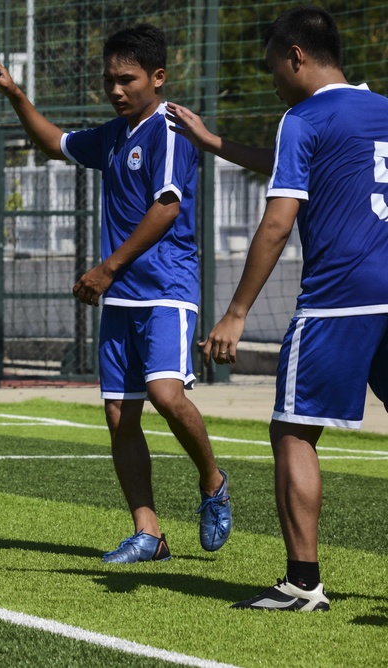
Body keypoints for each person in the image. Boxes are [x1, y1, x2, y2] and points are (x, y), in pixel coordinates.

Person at [0, 24, 231, 564]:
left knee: (165, 396)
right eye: (109, 80)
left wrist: (107, 268)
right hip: (120, 297)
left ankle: (212, 480)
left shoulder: (167, 130)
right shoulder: (116, 133)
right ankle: (149, 532)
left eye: (127, 80)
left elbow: (167, 206)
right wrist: (16, 94)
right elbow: (54, 143)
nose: (115, 90)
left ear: (157, 78)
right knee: (120, 415)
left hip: (165, 288)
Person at [169, 5, 388, 611]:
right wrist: (215, 143)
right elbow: (314, 165)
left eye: (272, 67)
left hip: (339, 299)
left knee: (293, 429)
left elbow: (277, 221)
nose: (271, 79)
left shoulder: (303, 115)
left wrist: (237, 311)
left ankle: (302, 583)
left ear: (296, 57)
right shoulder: (381, 110)